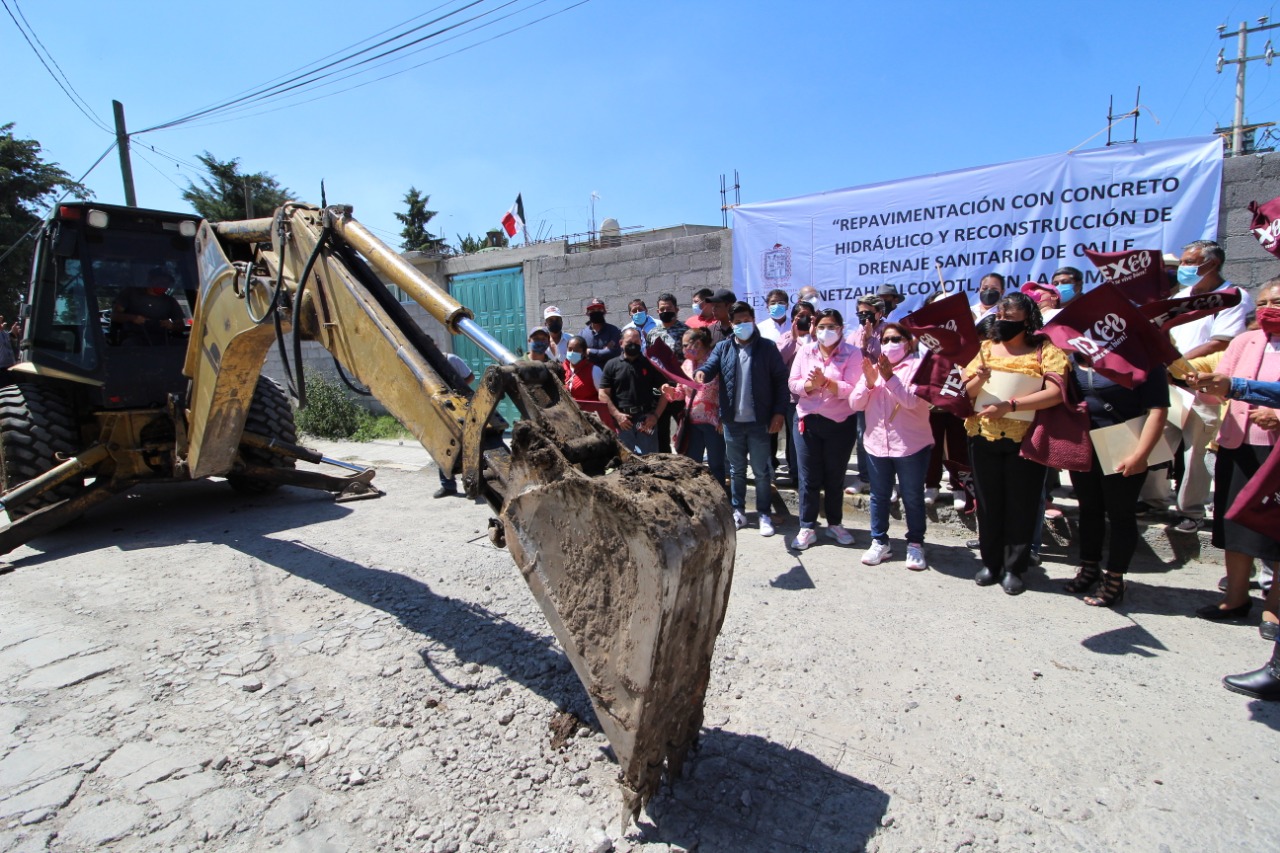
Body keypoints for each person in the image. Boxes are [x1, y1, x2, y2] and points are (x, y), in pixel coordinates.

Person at [1144, 240, 1254, 533]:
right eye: (1183, 261)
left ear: (1212, 264)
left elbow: (1221, 340)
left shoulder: (1233, 296)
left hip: (1203, 385)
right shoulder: (1180, 296)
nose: (1184, 268)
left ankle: (1190, 510)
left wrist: (1177, 361)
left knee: (1195, 450)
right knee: (1157, 442)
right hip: (1170, 383)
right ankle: (1153, 500)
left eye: (1191, 262)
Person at [962, 291, 1068, 595]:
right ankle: (991, 563)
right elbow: (966, 393)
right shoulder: (984, 349)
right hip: (983, 436)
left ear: (1028, 321)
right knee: (989, 503)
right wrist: (978, 379)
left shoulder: (1044, 351)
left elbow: (1056, 393)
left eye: (1012, 318)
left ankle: (1014, 567)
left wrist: (1011, 405)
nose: (1004, 322)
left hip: (1027, 440)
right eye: (1002, 316)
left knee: (1022, 504)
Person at [1195, 277, 1280, 630]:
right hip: (1238, 444)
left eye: (1275, 301)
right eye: (1261, 303)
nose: (1266, 309)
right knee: (1234, 524)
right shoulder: (1246, 341)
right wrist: (1203, 386)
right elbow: (1222, 390)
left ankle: (1274, 607)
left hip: (1274, 452)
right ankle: (1236, 597)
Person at [1060, 353, 1170, 606]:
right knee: (1089, 510)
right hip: (1084, 444)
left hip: (1125, 445)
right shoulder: (1073, 358)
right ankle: (1089, 568)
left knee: (1121, 514)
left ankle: (1115, 579)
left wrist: (1141, 455)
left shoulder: (1144, 360)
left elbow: (1158, 411)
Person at [695, 301, 788, 536]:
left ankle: (764, 513)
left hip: (759, 422)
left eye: (746, 320)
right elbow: (710, 366)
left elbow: (780, 381)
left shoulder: (767, 348)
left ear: (753, 320)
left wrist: (778, 413)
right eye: (737, 322)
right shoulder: (724, 348)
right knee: (736, 470)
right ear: (732, 324)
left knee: (761, 471)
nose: (742, 325)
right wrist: (702, 372)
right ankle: (739, 511)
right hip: (732, 422)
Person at [850, 323, 933, 569]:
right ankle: (880, 542)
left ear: (908, 342)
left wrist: (890, 378)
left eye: (896, 339)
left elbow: (910, 401)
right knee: (879, 496)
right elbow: (855, 403)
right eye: (885, 340)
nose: (889, 344)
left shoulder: (919, 368)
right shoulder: (872, 369)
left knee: (912, 496)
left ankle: (915, 544)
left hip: (911, 445)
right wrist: (870, 383)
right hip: (877, 445)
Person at [787, 309, 862, 550]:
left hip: (840, 422)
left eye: (831, 327)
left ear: (841, 329)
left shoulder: (853, 353)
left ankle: (835, 524)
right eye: (821, 327)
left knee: (834, 475)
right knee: (808, 476)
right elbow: (793, 383)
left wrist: (827, 383)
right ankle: (807, 526)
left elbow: (852, 387)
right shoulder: (806, 350)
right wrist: (811, 385)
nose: (825, 331)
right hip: (808, 420)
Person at [599, 328, 666, 455]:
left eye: (637, 341)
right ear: (621, 343)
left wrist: (655, 416)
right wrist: (617, 416)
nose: (633, 344)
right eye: (629, 341)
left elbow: (665, 392)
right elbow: (602, 394)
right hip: (623, 423)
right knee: (625, 463)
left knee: (651, 461)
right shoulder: (611, 365)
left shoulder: (650, 364)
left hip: (646, 422)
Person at [673, 327, 726, 486]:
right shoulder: (686, 365)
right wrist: (669, 391)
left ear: (697, 344)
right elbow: (680, 393)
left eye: (685, 345)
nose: (682, 349)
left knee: (716, 464)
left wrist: (724, 416)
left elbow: (727, 390)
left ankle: (720, 498)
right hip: (692, 423)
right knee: (692, 464)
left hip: (714, 423)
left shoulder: (715, 361)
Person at [845, 295, 886, 495]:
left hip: (883, 394)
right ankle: (864, 477)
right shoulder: (854, 335)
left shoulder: (889, 332)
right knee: (862, 436)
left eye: (868, 313)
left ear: (879, 313)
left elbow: (888, 359)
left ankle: (884, 481)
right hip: (861, 392)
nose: (864, 317)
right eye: (860, 313)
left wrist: (871, 341)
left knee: (883, 435)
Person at [777, 300, 817, 486]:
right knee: (795, 438)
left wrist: (816, 337)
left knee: (813, 436)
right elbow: (779, 361)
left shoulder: (819, 337)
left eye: (807, 316)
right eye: (800, 316)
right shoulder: (786, 337)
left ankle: (814, 472)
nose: (803, 319)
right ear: (793, 318)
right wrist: (793, 340)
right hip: (793, 398)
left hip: (817, 397)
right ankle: (796, 473)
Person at [434, 348, 475, 498]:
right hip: (441, 408)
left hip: (460, 407)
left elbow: (470, 376)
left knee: (466, 447)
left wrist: (457, 389)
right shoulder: (425, 364)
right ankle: (448, 485)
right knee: (442, 446)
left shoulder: (451, 359)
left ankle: (471, 485)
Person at [112, 268, 186, 345]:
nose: (162, 285)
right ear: (150, 280)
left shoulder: (170, 301)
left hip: (163, 339)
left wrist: (171, 326)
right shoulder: (130, 293)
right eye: (159, 281)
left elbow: (181, 326)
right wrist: (132, 318)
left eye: (166, 283)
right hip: (134, 338)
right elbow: (114, 316)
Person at [580, 299, 622, 366]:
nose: (596, 312)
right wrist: (604, 352)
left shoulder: (614, 331)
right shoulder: (582, 334)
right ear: (587, 313)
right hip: (589, 373)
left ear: (605, 312)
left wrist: (590, 351)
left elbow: (615, 352)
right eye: (592, 310)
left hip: (610, 373)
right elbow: (580, 354)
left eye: (599, 309)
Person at [563, 335, 603, 404]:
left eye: (576, 350)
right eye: (570, 349)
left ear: (584, 353)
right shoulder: (561, 368)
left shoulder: (594, 370)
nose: (572, 353)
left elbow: (603, 395)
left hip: (588, 412)